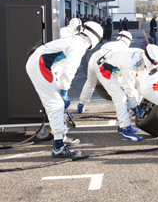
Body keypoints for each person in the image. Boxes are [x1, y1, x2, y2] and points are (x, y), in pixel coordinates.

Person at [26, 22, 103, 158]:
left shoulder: (74, 40)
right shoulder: (78, 46)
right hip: (40, 65)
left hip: (42, 64)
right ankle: (58, 148)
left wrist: (62, 87)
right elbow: (69, 70)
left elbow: (61, 66)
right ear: (95, 38)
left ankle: (61, 137)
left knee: (57, 104)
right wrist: (64, 91)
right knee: (56, 105)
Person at [96, 42, 158, 141]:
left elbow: (142, 81)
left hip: (119, 70)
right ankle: (126, 130)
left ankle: (123, 124)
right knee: (121, 98)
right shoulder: (130, 63)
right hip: (106, 71)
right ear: (149, 60)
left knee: (137, 93)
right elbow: (129, 87)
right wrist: (136, 107)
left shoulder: (143, 56)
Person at [76, 31, 133, 114]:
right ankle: (123, 110)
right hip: (103, 64)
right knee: (117, 91)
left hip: (94, 58)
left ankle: (81, 104)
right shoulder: (125, 49)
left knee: (90, 82)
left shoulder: (110, 44)